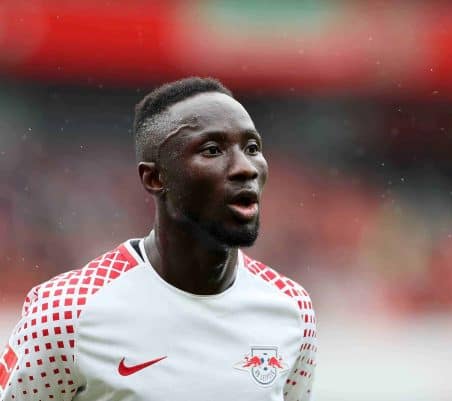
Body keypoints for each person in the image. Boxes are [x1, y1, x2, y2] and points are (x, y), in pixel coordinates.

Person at [0, 78, 316, 401]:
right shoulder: (66, 315)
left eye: (252, 148)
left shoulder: (291, 309)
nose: (245, 168)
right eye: (212, 150)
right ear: (154, 177)